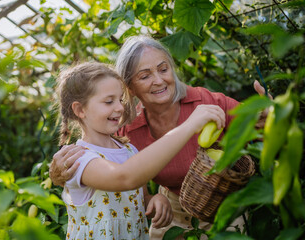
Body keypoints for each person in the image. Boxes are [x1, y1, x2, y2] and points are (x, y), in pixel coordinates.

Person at [50, 36, 269, 239]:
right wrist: (57, 174)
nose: (158, 80)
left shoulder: (206, 102)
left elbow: (262, 131)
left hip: (224, 208)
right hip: (172, 213)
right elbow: (118, 174)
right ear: (130, 87)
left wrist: (269, 118)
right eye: (145, 76)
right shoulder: (124, 129)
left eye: (163, 69)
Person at [54, 61, 226, 239]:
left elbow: (141, 199)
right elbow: (124, 178)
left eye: (120, 99)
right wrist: (189, 125)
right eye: (108, 101)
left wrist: (155, 201)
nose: (120, 107)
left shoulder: (129, 150)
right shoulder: (78, 159)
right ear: (80, 109)